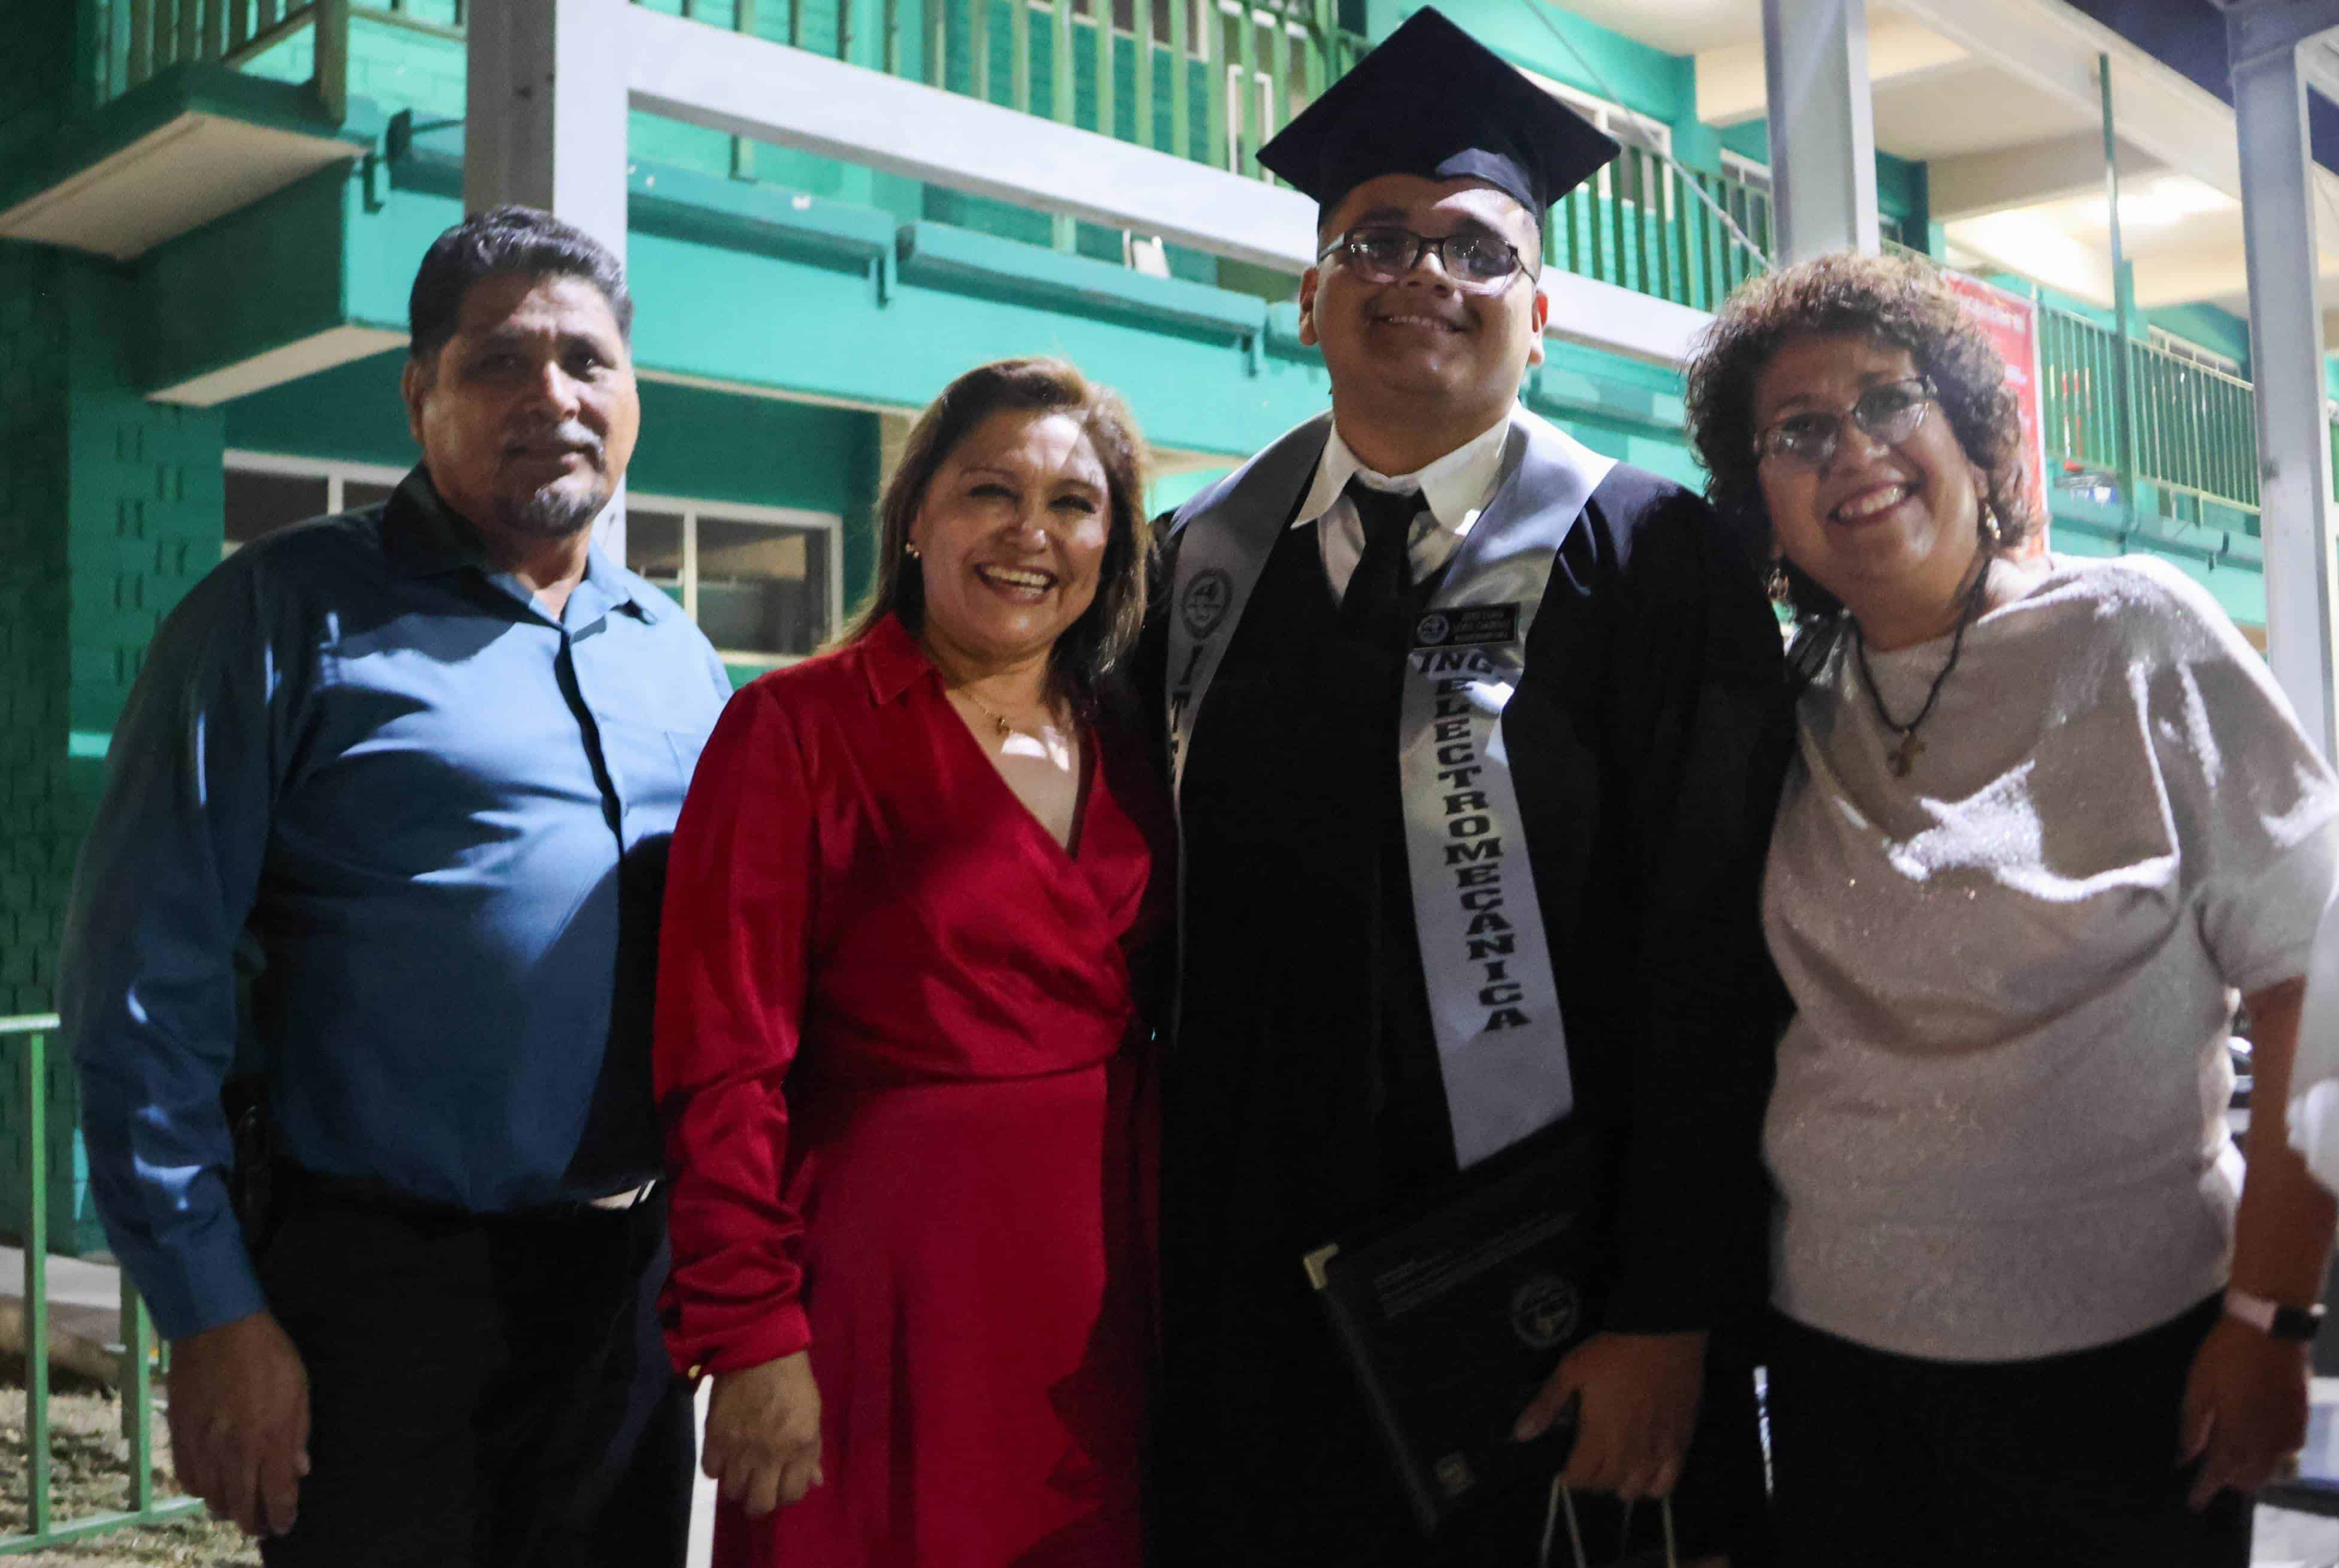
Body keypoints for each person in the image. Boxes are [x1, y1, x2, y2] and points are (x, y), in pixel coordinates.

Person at [1136, 11, 1788, 1563]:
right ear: (1306, 297)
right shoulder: (1197, 567)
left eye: (1476, 250)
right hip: (1249, 1283)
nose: (1423, 273)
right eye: (1374, 241)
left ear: (1541, 315)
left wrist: (1664, 1305)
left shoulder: (1654, 560)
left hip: (1547, 1287)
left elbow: (1719, 959)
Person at [59, 206, 727, 1567]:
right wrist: (209, 1312)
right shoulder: (277, 613)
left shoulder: (677, 655)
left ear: (634, 392)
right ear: (418, 394)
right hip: (379, 1301)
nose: (553, 394)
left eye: (586, 361)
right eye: (498, 362)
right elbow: (140, 987)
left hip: (629, 1309)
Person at [1682, 249, 2339, 1566]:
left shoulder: (2137, 632)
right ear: (1761, 500)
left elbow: (2312, 978)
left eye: (1886, 399)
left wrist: (2272, 1319)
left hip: (2128, 1373)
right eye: (1797, 431)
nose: (1850, 449)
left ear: (1976, 435)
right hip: (1835, 1374)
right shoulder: (1780, 705)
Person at [655, 356, 1169, 1567]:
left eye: (1073, 503)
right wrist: (749, 1330)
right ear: (917, 514)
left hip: (1107, 1294)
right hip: (882, 1292)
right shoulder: (797, 727)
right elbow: (722, 1057)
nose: (1029, 534)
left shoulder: (1131, 738)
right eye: (991, 490)